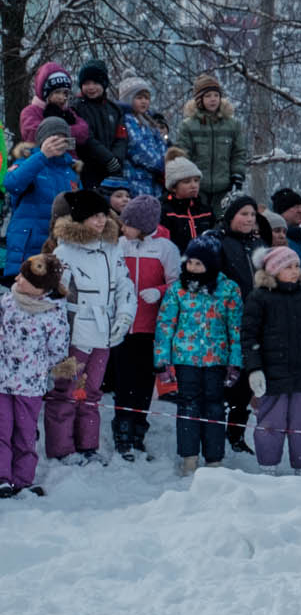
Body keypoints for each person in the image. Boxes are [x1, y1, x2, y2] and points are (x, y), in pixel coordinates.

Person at [44, 191, 131, 462]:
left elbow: (124, 284)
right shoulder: (64, 250)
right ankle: (61, 449)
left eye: (104, 215)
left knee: (91, 390)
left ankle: (87, 445)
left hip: (103, 333)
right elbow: (55, 294)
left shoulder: (113, 247)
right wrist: (61, 333)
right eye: (95, 215)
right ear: (81, 218)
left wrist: (124, 316)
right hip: (75, 332)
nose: (101, 221)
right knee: (67, 390)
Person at [155, 239, 244, 474]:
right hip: (185, 359)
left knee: (214, 406)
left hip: (216, 359)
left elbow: (236, 328)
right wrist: (162, 360)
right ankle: (189, 457)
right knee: (188, 406)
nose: (193, 268)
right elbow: (165, 325)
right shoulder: (178, 289)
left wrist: (235, 361)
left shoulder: (229, 289)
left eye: (199, 264)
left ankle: (214, 458)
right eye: (190, 262)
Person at [239, 244, 301, 472]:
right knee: (271, 423)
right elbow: (249, 336)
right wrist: (254, 368)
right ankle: (268, 467)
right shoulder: (259, 297)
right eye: (288, 266)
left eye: (297, 266)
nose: (294, 271)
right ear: (273, 270)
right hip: (272, 375)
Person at [109, 196, 177, 457]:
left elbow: (176, 283)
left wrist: (159, 292)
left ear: (143, 225)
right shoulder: (119, 246)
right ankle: (122, 429)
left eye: (128, 224)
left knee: (143, 381)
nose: (122, 228)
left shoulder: (165, 249)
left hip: (151, 327)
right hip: (123, 326)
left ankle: (139, 428)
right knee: (123, 379)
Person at [0, 256, 71, 497]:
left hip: (30, 385)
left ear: (40, 286)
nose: (17, 279)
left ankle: (22, 478)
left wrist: (37, 367)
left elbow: (58, 350)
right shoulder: (7, 302)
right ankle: (2, 477)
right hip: (2, 380)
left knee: (25, 431)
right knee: (2, 428)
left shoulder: (53, 312)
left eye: (24, 277)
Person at [4, 116, 82, 276]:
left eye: (63, 138)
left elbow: (80, 207)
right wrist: (42, 155)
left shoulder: (71, 171)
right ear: (43, 140)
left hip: (58, 247)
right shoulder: (28, 161)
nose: (59, 143)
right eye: (55, 138)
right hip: (27, 247)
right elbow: (12, 184)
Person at [170, 75, 245, 209]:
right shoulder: (188, 126)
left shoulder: (232, 125)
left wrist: (237, 176)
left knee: (222, 223)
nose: (213, 99)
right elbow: (183, 155)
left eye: (216, 95)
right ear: (200, 99)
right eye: (208, 96)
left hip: (225, 187)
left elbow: (238, 153)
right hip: (198, 188)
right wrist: (187, 181)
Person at [66, 61, 129, 189]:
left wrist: (116, 158)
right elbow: (87, 138)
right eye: (87, 83)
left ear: (104, 84)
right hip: (88, 168)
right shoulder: (76, 107)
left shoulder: (114, 109)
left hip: (113, 170)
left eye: (95, 83)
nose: (91, 87)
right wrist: (107, 158)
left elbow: (121, 134)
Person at [115, 79, 168, 198]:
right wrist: (161, 164)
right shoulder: (127, 121)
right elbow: (138, 148)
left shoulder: (149, 122)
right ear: (128, 99)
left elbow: (162, 144)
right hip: (135, 180)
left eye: (146, 98)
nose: (144, 102)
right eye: (139, 98)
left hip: (152, 181)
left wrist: (167, 160)